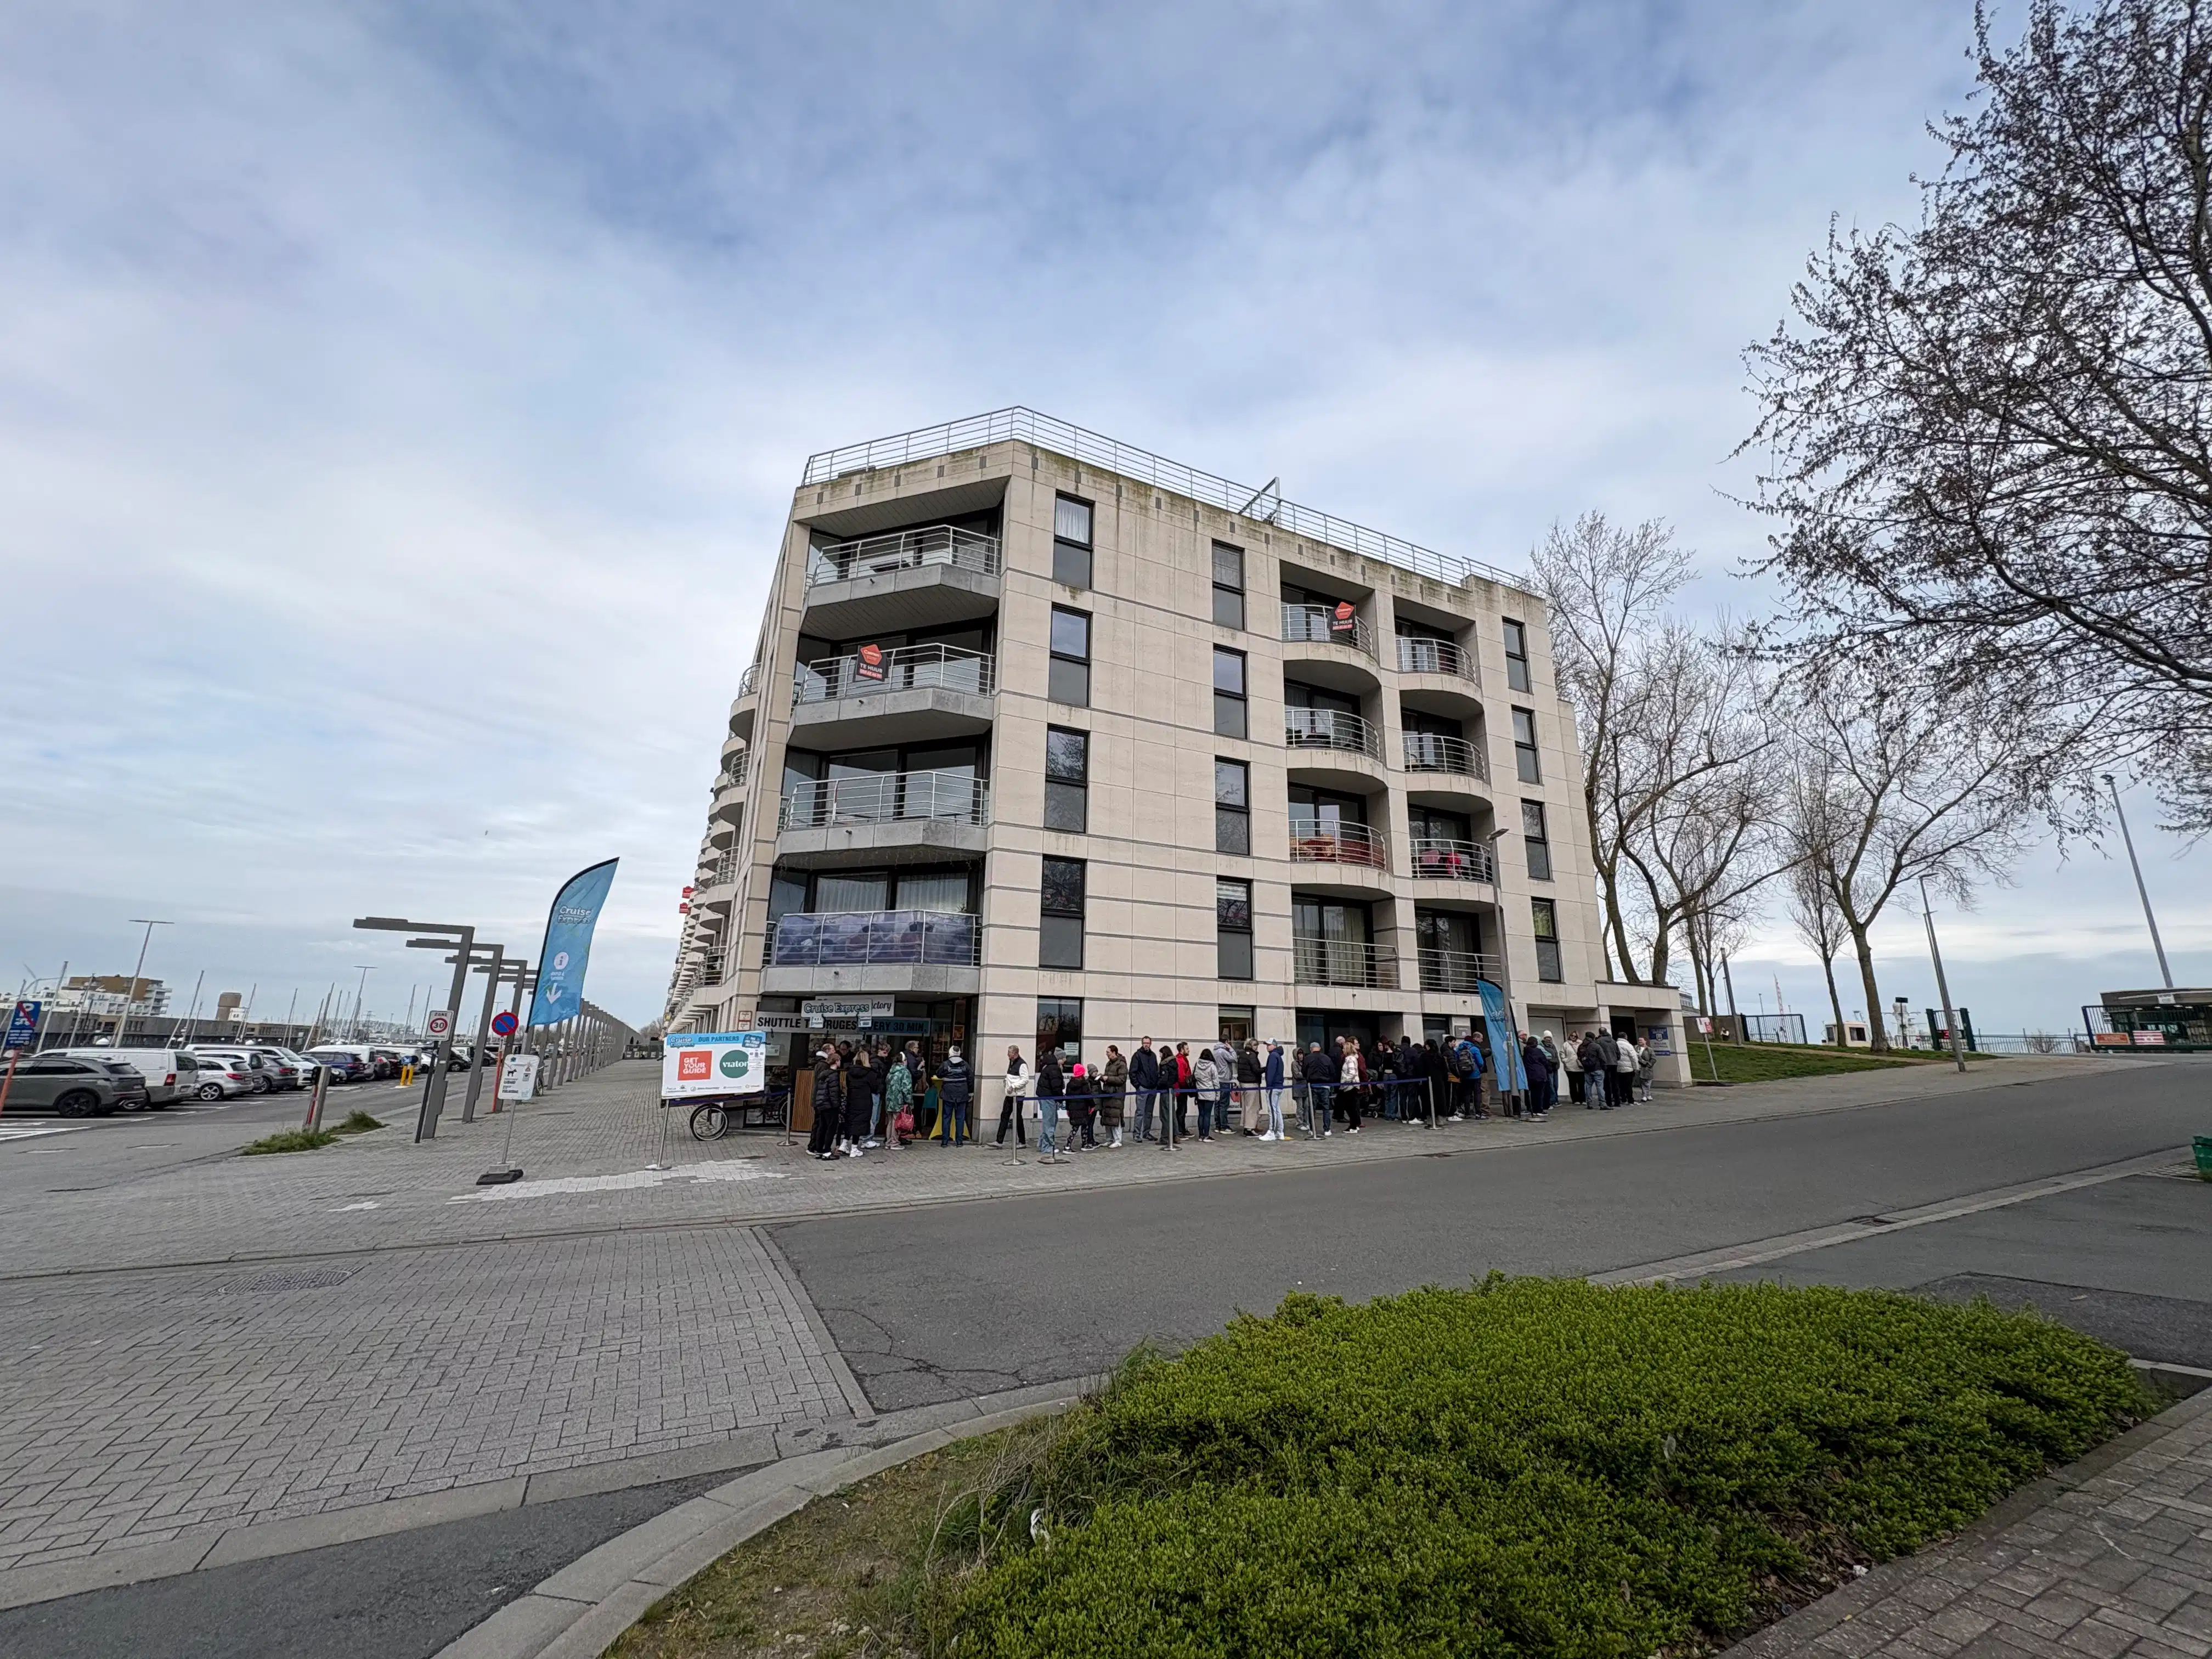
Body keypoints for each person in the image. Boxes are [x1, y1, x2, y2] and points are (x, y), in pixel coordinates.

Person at [806, 1042, 843, 1161]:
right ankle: (825, 1150)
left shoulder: (822, 1071)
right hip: (828, 1105)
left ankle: (819, 1149)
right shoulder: (831, 1073)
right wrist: (836, 1105)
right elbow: (833, 1091)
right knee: (828, 1128)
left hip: (821, 1102)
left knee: (822, 1127)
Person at [842, 1043, 876, 1156]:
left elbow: (847, 1085)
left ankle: (844, 1144)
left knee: (850, 1121)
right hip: (865, 1101)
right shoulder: (869, 1073)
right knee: (860, 1123)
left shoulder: (850, 1072)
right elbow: (874, 1087)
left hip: (852, 1099)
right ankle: (854, 1148)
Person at [935, 1045, 972, 1144]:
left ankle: (945, 1141)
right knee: (960, 1118)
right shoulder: (965, 1064)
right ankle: (959, 1141)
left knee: (947, 1117)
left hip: (948, 1093)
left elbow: (939, 1074)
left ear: (950, 1054)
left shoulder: (946, 1064)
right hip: (962, 1093)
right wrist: (971, 1093)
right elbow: (970, 1078)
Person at [1036, 1048, 1065, 1162]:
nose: (1065, 1060)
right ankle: (1048, 1147)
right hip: (1049, 1098)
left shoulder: (1049, 1066)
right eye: (1063, 1058)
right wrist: (1060, 1098)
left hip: (1045, 1096)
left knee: (1050, 1121)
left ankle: (1043, 1143)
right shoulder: (1054, 1069)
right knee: (1050, 1122)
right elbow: (1056, 1086)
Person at [1129, 1037, 1160, 1143]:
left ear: (1151, 1044)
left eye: (1148, 1043)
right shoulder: (1137, 1055)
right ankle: (1137, 1134)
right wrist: (1138, 1086)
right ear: (1142, 1044)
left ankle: (1146, 1133)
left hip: (1153, 1087)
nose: (1146, 1045)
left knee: (1149, 1112)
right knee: (1140, 1112)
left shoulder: (1153, 1056)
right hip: (1143, 1087)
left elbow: (1156, 1070)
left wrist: (1156, 1083)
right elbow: (1132, 1072)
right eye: (1144, 1043)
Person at [997, 1045, 1029, 1147]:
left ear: (1014, 1054)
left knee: (1017, 1117)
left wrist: (1013, 1086)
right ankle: (999, 1141)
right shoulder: (1012, 1062)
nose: (1007, 1055)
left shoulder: (1022, 1064)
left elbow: (1025, 1080)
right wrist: (1007, 1082)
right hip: (1010, 1094)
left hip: (1017, 1095)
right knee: (1005, 1115)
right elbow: (1012, 1077)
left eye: (1009, 1053)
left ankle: (1022, 1141)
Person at [882, 1043, 913, 1146]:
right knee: (897, 1122)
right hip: (899, 1100)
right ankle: (894, 1142)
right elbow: (907, 1089)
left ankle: (889, 1141)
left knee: (891, 1121)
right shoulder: (905, 1072)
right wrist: (909, 1102)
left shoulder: (891, 1071)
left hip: (889, 1100)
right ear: (904, 1061)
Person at [1300, 1041, 1334, 1136]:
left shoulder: (1308, 1058)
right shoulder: (1327, 1058)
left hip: (1313, 1086)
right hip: (1325, 1085)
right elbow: (1332, 1071)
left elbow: (1304, 1071)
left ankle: (1312, 1129)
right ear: (1320, 1049)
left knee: (1312, 1108)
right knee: (1326, 1108)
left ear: (1311, 1049)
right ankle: (1327, 1129)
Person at [1520, 1031, 1554, 1120]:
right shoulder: (1538, 1051)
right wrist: (1550, 1069)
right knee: (1539, 1094)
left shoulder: (1526, 1051)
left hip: (1529, 1075)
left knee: (1532, 1093)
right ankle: (1538, 1110)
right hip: (1540, 1075)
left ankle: (1532, 1109)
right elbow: (1545, 1062)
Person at [1100, 1045, 1128, 1146]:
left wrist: (1109, 1079)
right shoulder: (1109, 1064)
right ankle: (1110, 1139)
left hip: (1117, 1094)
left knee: (1116, 1116)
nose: (1107, 1054)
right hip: (1108, 1093)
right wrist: (1103, 1078)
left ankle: (1118, 1140)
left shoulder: (1121, 1064)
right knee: (1108, 1116)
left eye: (1108, 1052)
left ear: (1114, 1053)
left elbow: (1122, 1079)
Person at [1192, 1045, 1220, 1140]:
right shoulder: (1212, 1066)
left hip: (1199, 1092)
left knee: (1201, 1114)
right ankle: (1206, 1136)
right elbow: (1216, 1081)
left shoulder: (1197, 1064)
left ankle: (1200, 1135)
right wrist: (1218, 1095)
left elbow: (1194, 1076)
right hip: (1210, 1092)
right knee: (1207, 1115)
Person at [1337, 1038, 1364, 1133]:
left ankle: (1353, 1126)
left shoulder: (1350, 1059)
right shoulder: (1352, 1059)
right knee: (1351, 1106)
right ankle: (1355, 1125)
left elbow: (1352, 1073)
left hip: (1350, 1086)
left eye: (1344, 1049)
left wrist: (1345, 1082)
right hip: (1351, 1085)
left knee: (1349, 1106)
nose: (1343, 1050)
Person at [1261, 1039, 1285, 1140]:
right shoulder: (1278, 1056)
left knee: (1272, 1110)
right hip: (1278, 1086)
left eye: (1269, 1045)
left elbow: (1271, 1072)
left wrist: (1269, 1086)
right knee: (1277, 1109)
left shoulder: (1273, 1056)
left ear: (1274, 1046)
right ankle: (1280, 1131)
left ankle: (1272, 1131)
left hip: (1274, 1086)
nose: (1267, 1046)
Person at [1172, 1041, 1193, 1137]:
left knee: (1183, 1110)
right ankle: (1180, 1130)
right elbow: (1181, 1077)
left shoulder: (1183, 1059)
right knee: (1181, 1110)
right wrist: (1187, 1085)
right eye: (1187, 1048)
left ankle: (1182, 1129)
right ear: (1182, 1050)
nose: (1188, 1050)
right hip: (1181, 1089)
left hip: (1183, 1088)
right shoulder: (1180, 1060)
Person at [1634, 1033, 1656, 1103]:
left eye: (1641, 1040)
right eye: (1639, 1040)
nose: (1640, 1041)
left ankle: (1645, 1096)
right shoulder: (1635, 1048)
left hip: (1646, 1069)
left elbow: (1653, 1059)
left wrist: (1648, 1065)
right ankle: (1648, 1095)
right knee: (1641, 1083)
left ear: (1645, 1041)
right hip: (1638, 1069)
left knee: (1647, 1083)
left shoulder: (1649, 1050)